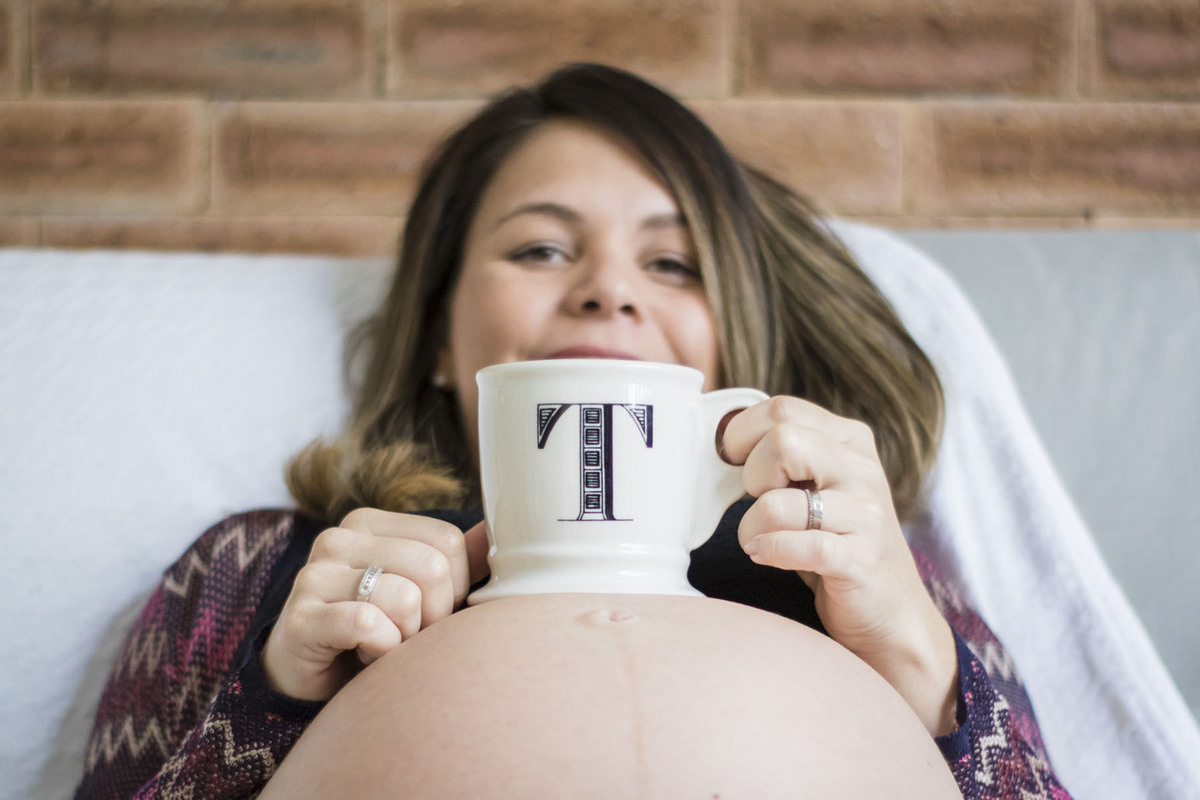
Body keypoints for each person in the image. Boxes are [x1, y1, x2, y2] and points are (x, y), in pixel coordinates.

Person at [75, 63, 1072, 799]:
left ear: (727, 353)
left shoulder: (872, 572)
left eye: (674, 264)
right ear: (434, 328)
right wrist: (273, 698)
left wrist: (925, 670)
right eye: (543, 247)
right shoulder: (257, 570)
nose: (608, 291)